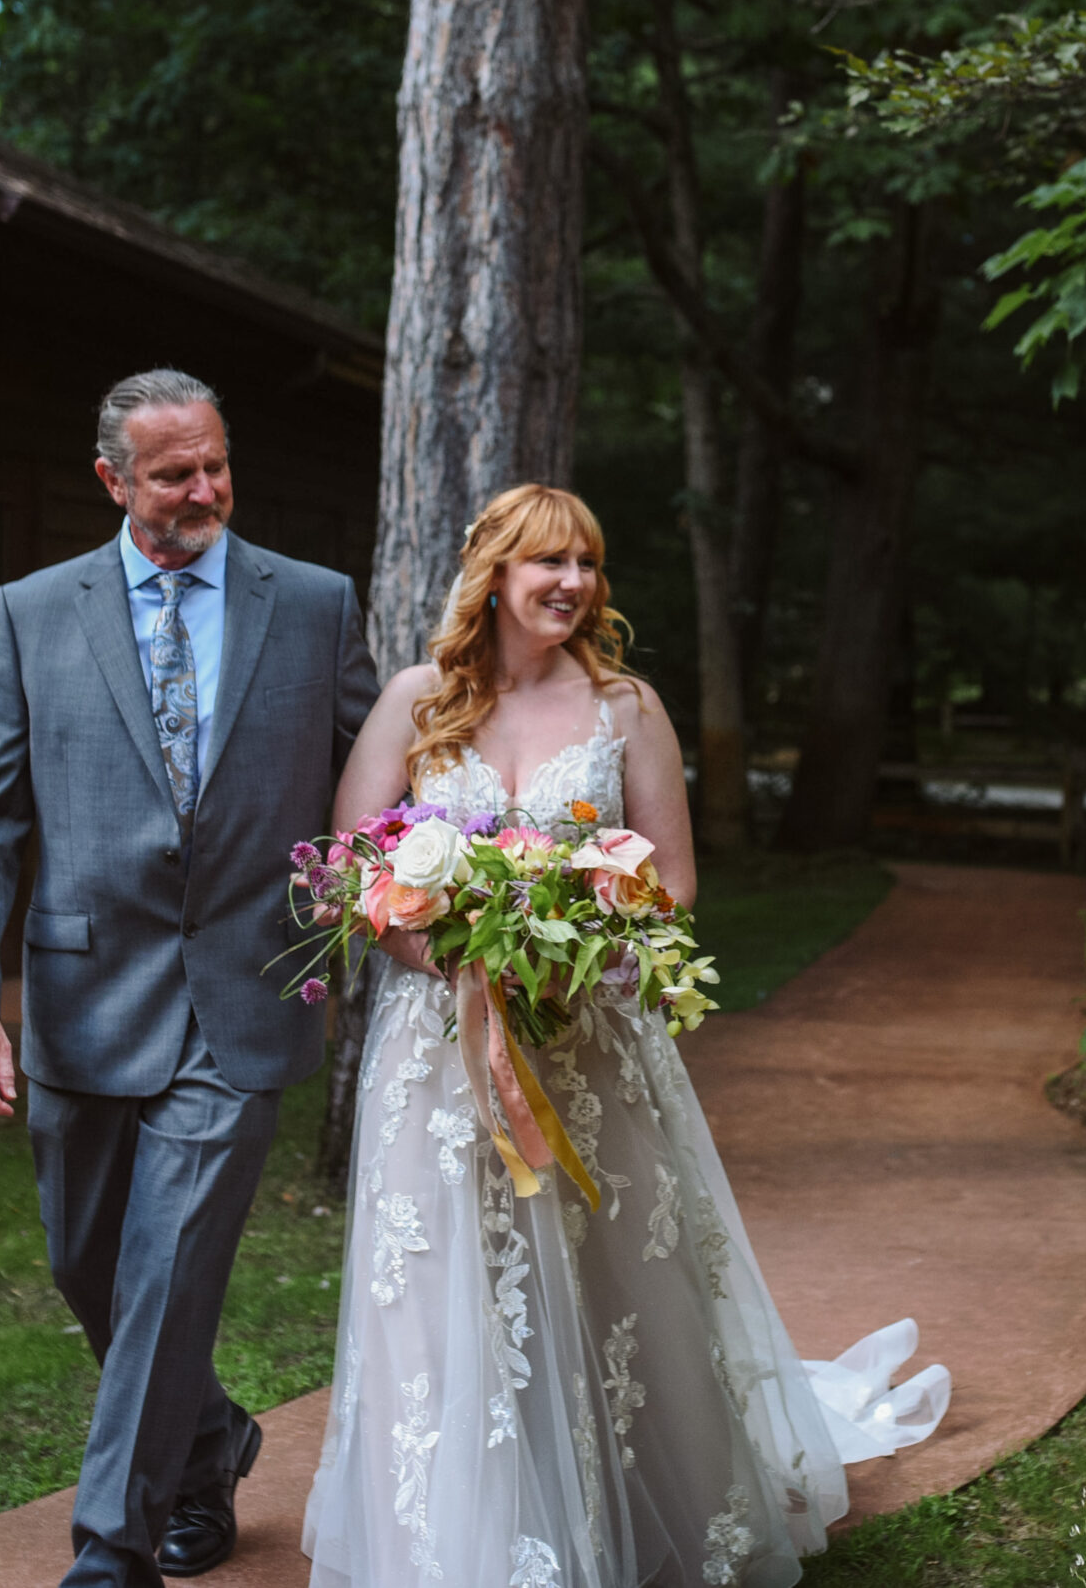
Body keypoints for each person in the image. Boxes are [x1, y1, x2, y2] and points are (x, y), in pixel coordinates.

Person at [301, 484, 944, 1588]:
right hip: (434, 1063)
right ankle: (454, 1539)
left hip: (586, 1051)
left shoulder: (626, 706)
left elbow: (671, 885)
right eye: (547, 562)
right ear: (492, 575)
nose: (573, 584)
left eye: (588, 563)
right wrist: (447, 955)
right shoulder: (417, 699)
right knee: (443, 1296)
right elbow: (344, 872)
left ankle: (630, 1515)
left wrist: (557, 961)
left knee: (611, 1291)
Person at [0, 369, 379, 1588]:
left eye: (215, 463)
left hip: (248, 985)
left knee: (170, 1260)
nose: (204, 489)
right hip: (83, 996)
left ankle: (107, 1548)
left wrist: (445, 870)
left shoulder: (314, 602)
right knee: (92, 1266)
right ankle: (209, 1440)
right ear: (113, 480)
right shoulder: (33, 609)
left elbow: (383, 775)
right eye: (174, 472)